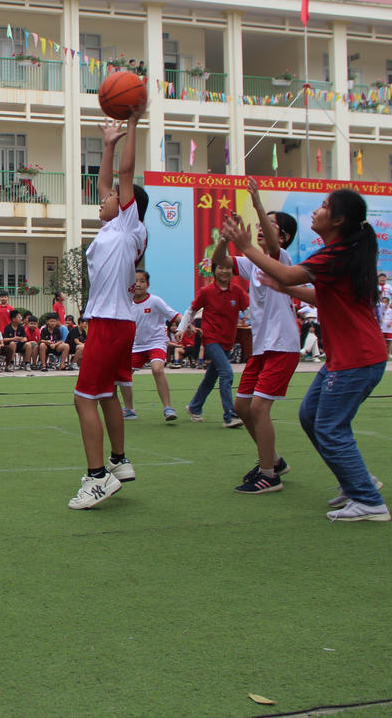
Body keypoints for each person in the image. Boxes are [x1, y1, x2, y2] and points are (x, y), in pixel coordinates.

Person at [220, 188, 391, 522]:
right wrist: (284, 287)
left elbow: (287, 272)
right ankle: (357, 482)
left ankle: (369, 500)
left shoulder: (336, 254)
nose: (317, 211)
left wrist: (246, 248)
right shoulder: (338, 252)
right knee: (312, 416)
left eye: (325, 207)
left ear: (339, 220)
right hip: (347, 358)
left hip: (359, 358)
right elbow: (318, 297)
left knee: (329, 426)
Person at [69, 102, 149, 510]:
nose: (105, 198)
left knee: (83, 397)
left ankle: (97, 477)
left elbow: (124, 175)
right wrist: (106, 145)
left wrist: (133, 123)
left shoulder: (131, 226)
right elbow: (107, 180)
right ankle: (119, 461)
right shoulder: (112, 226)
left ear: (129, 204)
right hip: (119, 322)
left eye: (114, 196)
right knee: (105, 395)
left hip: (110, 321)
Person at [214, 179, 302, 494]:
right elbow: (220, 262)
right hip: (263, 347)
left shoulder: (282, 260)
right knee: (241, 405)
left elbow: (274, 249)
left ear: (285, 236)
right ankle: (275, 460)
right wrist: (225, 239)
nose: (263, 229)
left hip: (283, 346)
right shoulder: (254, 264)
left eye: (272, 226)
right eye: (264, 224)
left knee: (259, 408)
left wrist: (259, 204)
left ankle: (270, 475)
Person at [178, 261, 248, 428]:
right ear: (214, 270)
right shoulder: (207, 292)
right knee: (227, 373)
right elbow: (191, 310)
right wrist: (182, 328)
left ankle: (195, 406)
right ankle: (230, 415)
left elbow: (250, 311)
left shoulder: (237, 291)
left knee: (211, 377)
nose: (224, 271)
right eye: (221, 267)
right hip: (211, 340)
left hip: (228, 342)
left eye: (227, 268)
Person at [120, 269, 179, 423]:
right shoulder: (126, 303)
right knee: (122, 376)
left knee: (157, 369)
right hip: (135, 346)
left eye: (142, 281)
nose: (138, 284)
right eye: (135, 281)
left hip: (156, 343)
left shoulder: (155, 301)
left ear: (148, 284)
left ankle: (168, 408)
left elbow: (174, 315)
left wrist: (187, 326)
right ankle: (129, 409)